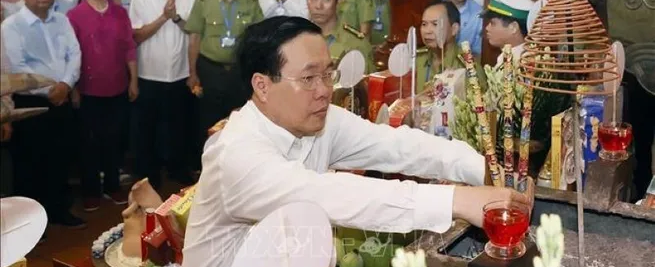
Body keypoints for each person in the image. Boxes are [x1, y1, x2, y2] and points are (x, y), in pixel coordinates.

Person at [182, 15, 534, 267]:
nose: (324, 90)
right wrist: (458, 199)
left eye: (327, 74)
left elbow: (397, 145)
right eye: (308, 78)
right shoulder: (238, 153)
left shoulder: (317, 120)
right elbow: (337, 196)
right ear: (262, 86)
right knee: (309, 218)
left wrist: (486, 171)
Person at [2, 0, 85, 228]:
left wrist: (66, 83)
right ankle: (30, 222)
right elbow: (17, 67)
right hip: (30, 103)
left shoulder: (62, 20)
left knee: (61, 157)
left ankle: (60, 210)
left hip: (62, 97)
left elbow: (75, 53)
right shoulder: (11, 26)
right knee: (30, 162)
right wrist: (49, 90)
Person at [66, 0, 138, 211]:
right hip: (86, 89)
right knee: (89, 142)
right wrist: (73, 88)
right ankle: (90, 190)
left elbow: (129, 47)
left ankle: (112, 185)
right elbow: (71, 55)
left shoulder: (119, 12)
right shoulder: (74, 15)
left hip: (118, 86)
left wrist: (134, 80)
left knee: (114, 139)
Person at [185, 0, 264, 167]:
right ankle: (208, 170)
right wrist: (192, 73)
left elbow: (256, 41)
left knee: (238, 122)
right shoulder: (204, 1)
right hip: (210, 70)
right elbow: (194, 38)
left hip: (239, 73)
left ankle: (235, 169)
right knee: (208, 122)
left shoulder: (251, 2)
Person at [129, 0, 198, 188]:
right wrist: (163, 17)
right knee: (147, 129)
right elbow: (136, 36)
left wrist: (176, 17)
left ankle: (178, 168)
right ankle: (150, 174)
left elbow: (194, 33)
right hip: (149, 73)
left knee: (179, 126)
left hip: (180, 73)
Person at [306, 0, 375, 73]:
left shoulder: (356, 44)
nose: (318, 6)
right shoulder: (296, 39)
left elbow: (365, 86)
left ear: (339, 1)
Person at [416, 0, 469, 91]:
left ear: (454, 29)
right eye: (424, 24)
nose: (427, 31)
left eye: (435, 24)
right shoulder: (416, 60)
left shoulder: (467, 64)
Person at [481, 0, 535, 66]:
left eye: (493, 23)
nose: (487, 28)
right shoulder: (512, 57)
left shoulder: (524, 65)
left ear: (513, 27)